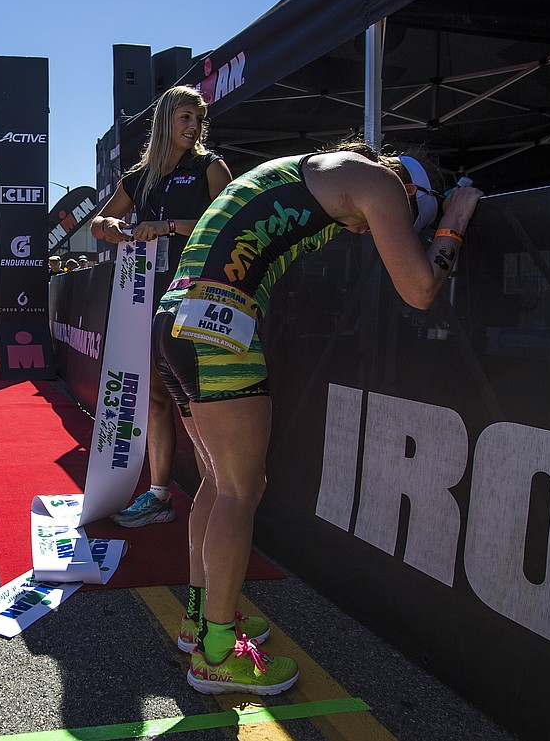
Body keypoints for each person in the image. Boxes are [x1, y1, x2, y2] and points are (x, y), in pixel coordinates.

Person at [153, 142, 482, 695]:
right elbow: (420, 289)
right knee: (241, 490)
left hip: (178, 318)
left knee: (216, 483)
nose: (373, 230)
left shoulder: (317, 172)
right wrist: (453, 222)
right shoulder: (377, 182)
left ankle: (202, 621)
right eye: (403, 219)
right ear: (412, 190)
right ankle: (214, 655)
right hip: (218, 327)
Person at [90, 85, 232, 529]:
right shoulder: (140, 176)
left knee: (197, 398)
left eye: (198, 119)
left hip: (198, 298)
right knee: (154, 397)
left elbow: (228, 223)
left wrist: (167, 226)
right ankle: (159, 495)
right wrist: (112, 226)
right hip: (145, 298)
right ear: (167, 120)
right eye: (185, 117)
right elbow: (98, 223)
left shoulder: (211, 167)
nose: (193, 126)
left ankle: (223, 492)